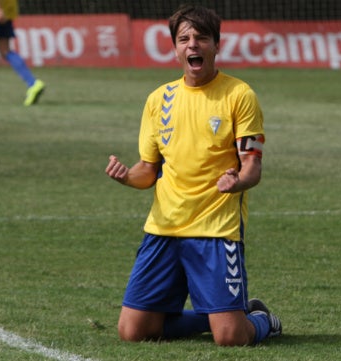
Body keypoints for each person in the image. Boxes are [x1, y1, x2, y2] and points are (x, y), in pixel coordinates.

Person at [104, 5, 282, 346]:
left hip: (216, 229)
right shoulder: (159, 99)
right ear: (174, 49)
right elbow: (148, 170)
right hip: (165, 228)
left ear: (217, 45)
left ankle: (259, 320)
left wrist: (238, 182)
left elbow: (252, 167)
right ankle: (217, 315)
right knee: (132, 332)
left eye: (201, 38)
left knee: (231, 338)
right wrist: (126, 176)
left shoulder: (239, 95)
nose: (192, 45)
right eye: (184, 39)